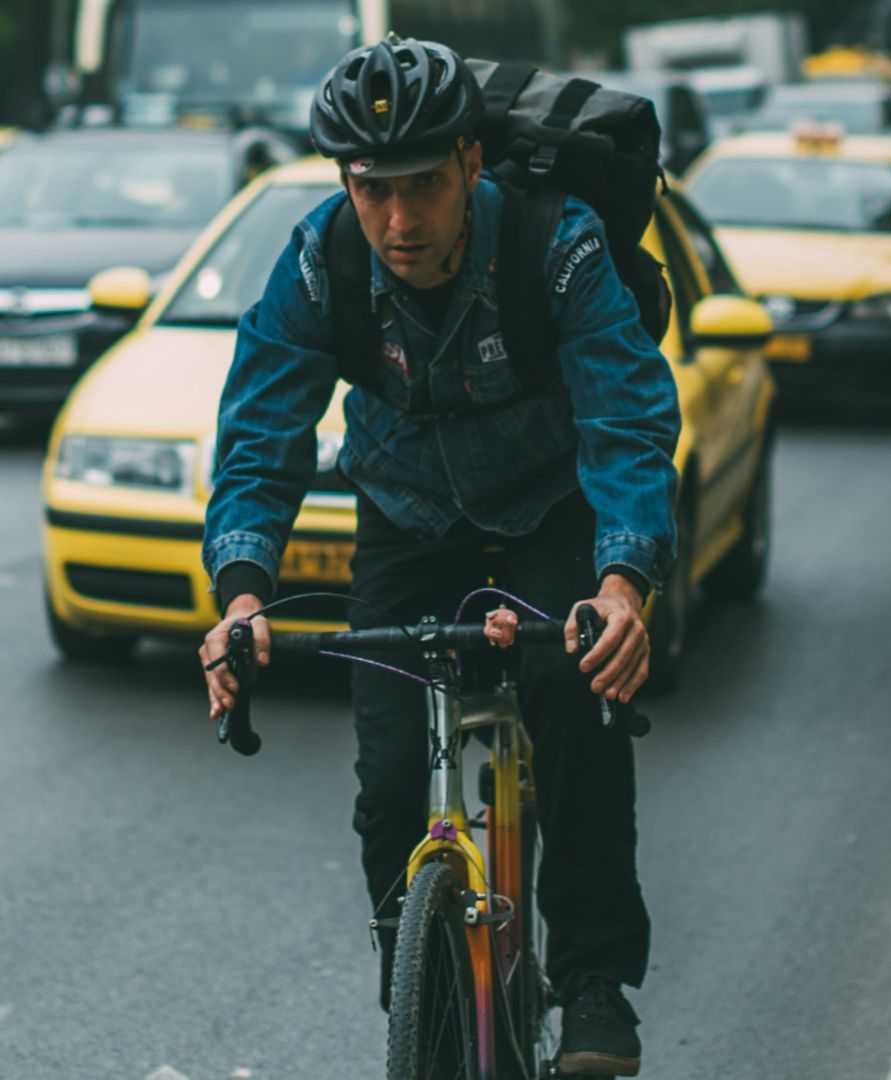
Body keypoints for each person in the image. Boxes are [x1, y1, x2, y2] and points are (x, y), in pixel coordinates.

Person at [197, 37, 679, 1078]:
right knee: (384, 787)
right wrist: (240, 596)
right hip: (408, 518)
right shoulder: (321, 258)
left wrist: (621, 584)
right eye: (373, 190)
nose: (399, 222)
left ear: (470, 162)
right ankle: (419, 990)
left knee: (576, 702)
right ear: (345, 183)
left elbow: (627, 419)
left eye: (423, 185)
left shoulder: (556, 242)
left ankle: (594, 978)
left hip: (552, 509)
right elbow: (260, 434)